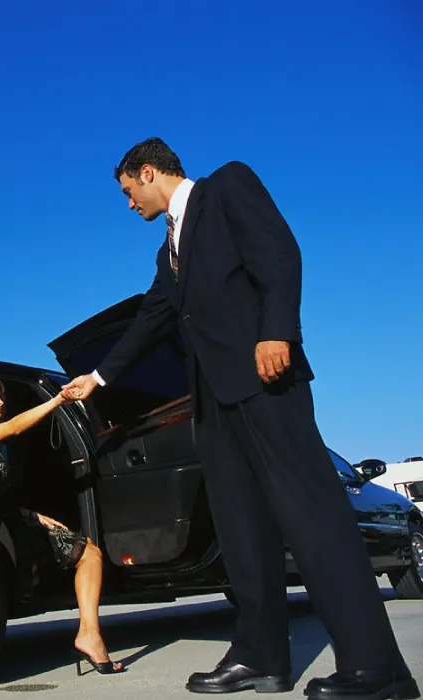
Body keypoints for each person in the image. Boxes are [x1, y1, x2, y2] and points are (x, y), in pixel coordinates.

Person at [61, 138, 417, 699]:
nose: (130, 205)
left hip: (266, 379)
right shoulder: (167, 253)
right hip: (214, 404)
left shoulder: (227, 187)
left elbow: (279, 253)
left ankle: (378, 668)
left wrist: (278, 330)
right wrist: (99, 378)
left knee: (314, 518)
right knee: (242, 532)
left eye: (129, 192)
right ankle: (260, 657)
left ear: (147, 172)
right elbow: (153, 317)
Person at [0, 377, 124, 675]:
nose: (0, 401)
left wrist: (31, 515)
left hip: (13, 521)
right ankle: (90, 636)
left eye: (1, 396)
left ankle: (90, 634)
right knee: (91, 555)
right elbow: (14, 427)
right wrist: (56, 401)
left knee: (90, 553)